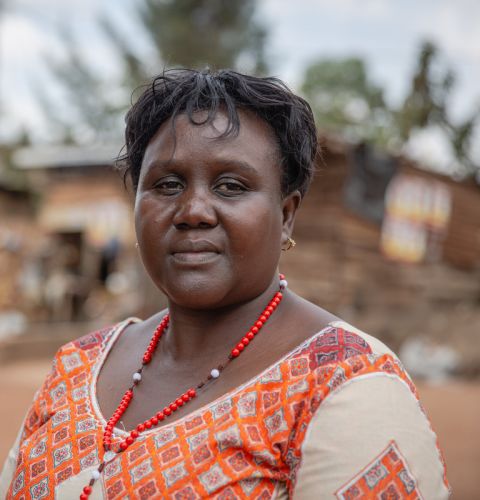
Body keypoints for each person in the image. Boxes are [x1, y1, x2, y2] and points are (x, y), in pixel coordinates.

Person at [0, 69, 450, 499]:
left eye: (231, 186)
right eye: (167, 184)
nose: (193, 210)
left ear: (287, 214)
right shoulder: (76, 368)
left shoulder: (344, 382)